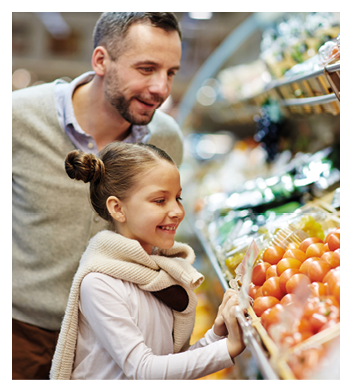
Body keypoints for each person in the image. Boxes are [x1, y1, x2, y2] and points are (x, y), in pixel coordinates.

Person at [12, 12, 185, 380]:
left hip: (113, 339)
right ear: (101, 60)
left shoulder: (166, 139)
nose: (161, 88)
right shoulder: (17, 118)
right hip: (20, 334)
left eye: (171, 72)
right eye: (146, 68)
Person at [50, 142, 245, 380]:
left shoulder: (158, 274)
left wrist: (217, 335)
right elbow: (144, 370)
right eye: (160, 200)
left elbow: (168, 365)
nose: (177, 211)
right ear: (117, 208)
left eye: (178, 198)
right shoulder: (100, 283)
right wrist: (227, 348)